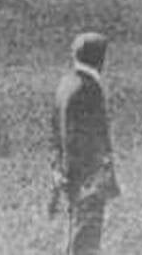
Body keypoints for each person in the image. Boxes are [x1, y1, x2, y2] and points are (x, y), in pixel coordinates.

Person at [51, 32, 120, 255]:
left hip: (70, 174)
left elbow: (56, 131)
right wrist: (91, 179)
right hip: (87, 178)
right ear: (100, 59)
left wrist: (59, 171)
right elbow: (84, 138)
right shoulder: (89, 89)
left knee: (76, 235)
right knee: (86, 240)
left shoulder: (66, 84)